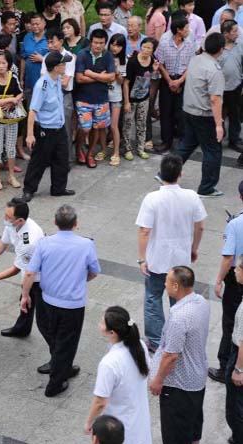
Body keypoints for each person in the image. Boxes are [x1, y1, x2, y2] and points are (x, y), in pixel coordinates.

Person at [21, 205, 101, 397]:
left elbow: (30, 272)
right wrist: (81, 280)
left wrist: (25, 295)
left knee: (53, 335)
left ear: (55, 222)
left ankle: (60, 365)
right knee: (67, 341)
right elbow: (94, 271)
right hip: (73, 304)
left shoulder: (44, 243)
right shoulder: (86, 245)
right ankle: (56, 381)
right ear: (76, 224)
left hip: (48, 300)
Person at [135, 154, 207, 352]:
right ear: (180, 174)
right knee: (180, 299)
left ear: (161, 174)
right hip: (180, 259)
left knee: (153, 297)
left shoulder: (152, 199)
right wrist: (194, 248)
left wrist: (142, 258)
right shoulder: (191, 196)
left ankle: (156, 340)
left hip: (157, 259)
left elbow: (144, 230)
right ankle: (179, 336)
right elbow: (200, 226)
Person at [149, 266, 210, 444]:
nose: (164, 284)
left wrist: (158, 380)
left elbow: (171, 356)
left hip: (178, 388)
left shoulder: (179, 317)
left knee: (175, 435)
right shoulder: (201, 302)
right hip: (197, 379)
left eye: (167, 281)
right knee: (193, 429)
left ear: (176, 286)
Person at [84, 306, 152, 444]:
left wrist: (89, 423)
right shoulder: (139, 345)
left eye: (102, 323)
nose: (99, 324)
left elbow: (100, 402)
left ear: (112, 333)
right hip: (139, 420)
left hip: (118, 425)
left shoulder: (109, 363)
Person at [174, 32, 226, 197]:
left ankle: (166, 173)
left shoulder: (196, 60)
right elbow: (215, 99)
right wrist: (219, 124)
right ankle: (207, 188)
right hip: (204, 115)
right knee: (213, 151)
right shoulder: (214, 70)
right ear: (221, 49)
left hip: (189, 110)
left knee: (187, 144)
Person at [19, 51, 74, 203]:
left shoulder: (57, 80)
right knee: (39, 161)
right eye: (63, 64)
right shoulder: (41, 85)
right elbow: (32, 111)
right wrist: (30, 135)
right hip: (45, 130)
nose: (65, 66)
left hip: (59, 127)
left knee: (62, 160)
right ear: (56, 67)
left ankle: (58, 188)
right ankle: (28, 190)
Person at [0, 198, 44, 338]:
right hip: (28, 269)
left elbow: (17, 269)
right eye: (5, 214)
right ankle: (22, 328)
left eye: (8, 217)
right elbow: (3, 242)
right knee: (26, 301)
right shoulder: (12, 224)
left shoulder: (29, 241)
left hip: (39, 276)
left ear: (20, 221)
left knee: (34, 303)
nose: (5, 218)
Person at [211, 181, 243, 384]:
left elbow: (227, 257)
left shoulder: (235, 224)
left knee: (230, 323)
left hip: (237, 278)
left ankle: (226, 367)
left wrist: (218, 280)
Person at [74, 29, 115, 168]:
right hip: (84, 99)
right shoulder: (82, 54)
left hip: (101, 99)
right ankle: (78, 148)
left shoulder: (108, 55)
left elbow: (111, 77)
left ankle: (89, 154)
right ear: (91, 41)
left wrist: (91, 74)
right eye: (96, 42)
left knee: (97, 128)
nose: (98, 46)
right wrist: (100, 77)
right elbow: (79, 78)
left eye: (102, 43)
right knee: (85, 129)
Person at [154, 15, 194, 153]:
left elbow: (191, 64)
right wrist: (170, 81)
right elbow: (160, 64)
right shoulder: (164, 44)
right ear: (178, 30)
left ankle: (181, 141)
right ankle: (166, 141)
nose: (189, 30)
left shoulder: (189, 44)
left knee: (181, 113)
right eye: (186, 28)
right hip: (167, 81)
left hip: (183, 80)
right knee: (166, 112)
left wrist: (180, 81)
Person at [0, 50, 23, 190]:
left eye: (3, 63)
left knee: (11, 147)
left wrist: (14, 101)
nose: (1, 66)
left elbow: (20, 93)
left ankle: (11, 176)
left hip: (12, 118)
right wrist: (9, 100)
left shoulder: (13, 77)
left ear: (9, 64)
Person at [41, 29, 76, 162]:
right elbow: (42, 80)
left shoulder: (68, 57)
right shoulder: (46, 58)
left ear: (61, 41)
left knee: (65, 128)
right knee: (50, 129)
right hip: (49, 97)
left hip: (64, 96)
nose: (50, 45)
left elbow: (65, 83)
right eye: (48, 42)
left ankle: (66, 159)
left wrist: (52, 79)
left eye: (52, 42)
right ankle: (51, 158)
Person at [122, 37, 160, 161]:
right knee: (128, 124)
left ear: (153, 50)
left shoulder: (152, 61)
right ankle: (127, 149)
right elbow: (126, 83)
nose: (146, 50)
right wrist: (127, 101)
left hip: (144, 97)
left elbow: (152, 78)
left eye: (149, 48)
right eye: (144, 47)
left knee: (142, 124)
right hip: (131, 99)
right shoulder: (133, 62)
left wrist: (154, 70)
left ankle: (140, 148)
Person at [95, 33, 126, 166]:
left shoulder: (124, 60)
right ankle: (103, 150)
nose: (115, 48)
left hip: (116, 98)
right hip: (102, 96)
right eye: (113, 44)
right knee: (102, 126)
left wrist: (116, 70)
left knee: (113, 126)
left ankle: (116, 152)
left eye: (118, 45)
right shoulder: (104, 57)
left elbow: (122, 81)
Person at [217, 20, 243, 153]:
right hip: (219, 88)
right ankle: (218, 138)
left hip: (236, 86)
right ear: (226, 33)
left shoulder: (239, 45)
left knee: (235, 113)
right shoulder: (217, 47)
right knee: (219, 114)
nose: (237, 34)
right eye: (234, 31)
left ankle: (235, 140)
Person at [225, 254, 243, 443]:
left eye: (238, 268)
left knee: (235, 407)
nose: (235, 270)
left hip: (239, 355)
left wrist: (238, 369)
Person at [21, 13, 49, 98]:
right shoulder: (27, 37)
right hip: (29, 80)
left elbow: (56, 59)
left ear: (44, 23)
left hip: (45, 81)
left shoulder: (50, 37)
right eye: (33, 24)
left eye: (37, 24)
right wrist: (21, 78)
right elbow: (23, 58)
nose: (35, 26)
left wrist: (42, 59)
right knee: (30, 106)